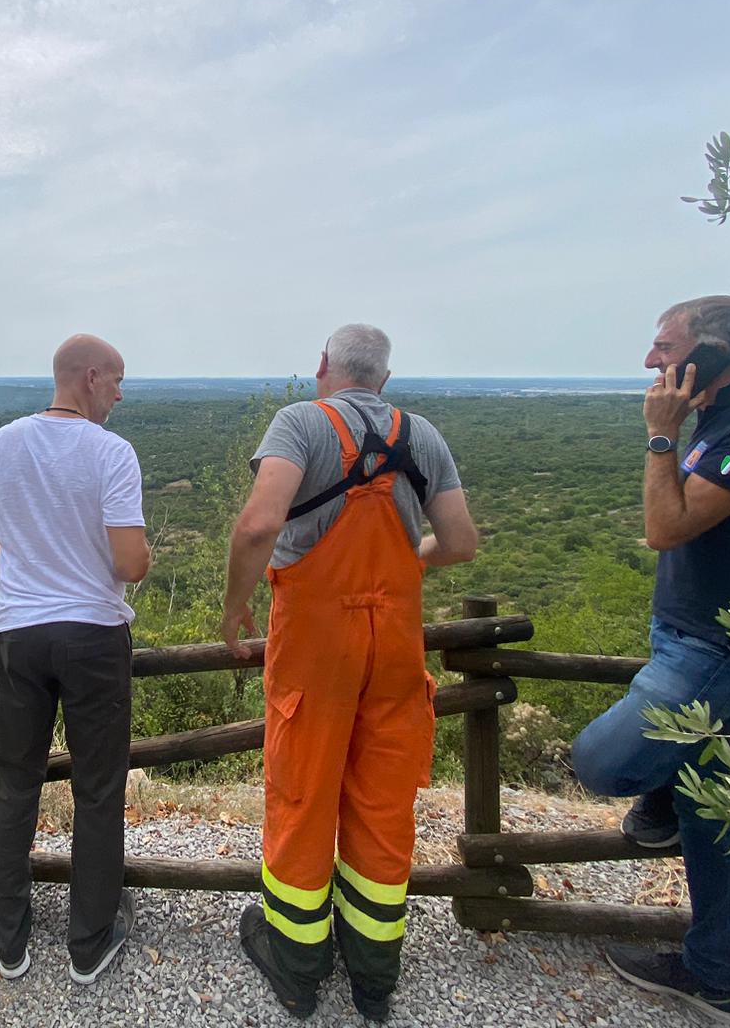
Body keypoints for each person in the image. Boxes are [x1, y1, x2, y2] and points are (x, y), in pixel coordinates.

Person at [572, 295, 730, 1024]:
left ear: (711, 355)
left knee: (599, 762)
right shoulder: (728, 421)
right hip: (688, 637)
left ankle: (656, 804)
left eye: (664, 347)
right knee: (707, 808)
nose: (651, 361)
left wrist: (660, 437)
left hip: (720, 649)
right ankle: (713, 973)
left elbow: (666, 526)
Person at [219, 324, 479, 1020]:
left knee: (304, 798)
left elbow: (255, 527)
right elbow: (460, 542)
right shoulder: (419, 434)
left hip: (316, 651)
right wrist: (407, 560)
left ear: (323, 368)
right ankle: (372, 980)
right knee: (381, 807)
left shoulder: (301, 421)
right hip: (394, 649)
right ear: (384, 380)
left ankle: (297, 966)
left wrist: (236, 607)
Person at [0, 333, 150, 985]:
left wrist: (40, 542)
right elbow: (130, 561)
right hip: (94, 635)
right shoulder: (111, 453)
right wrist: (137, 558)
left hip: (20, 632)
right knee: (98, 789)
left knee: (15, 784)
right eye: (118, 382)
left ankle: (8, 941)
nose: (122, 395)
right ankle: (89, 941)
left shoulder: (2, 443)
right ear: (91, 377)